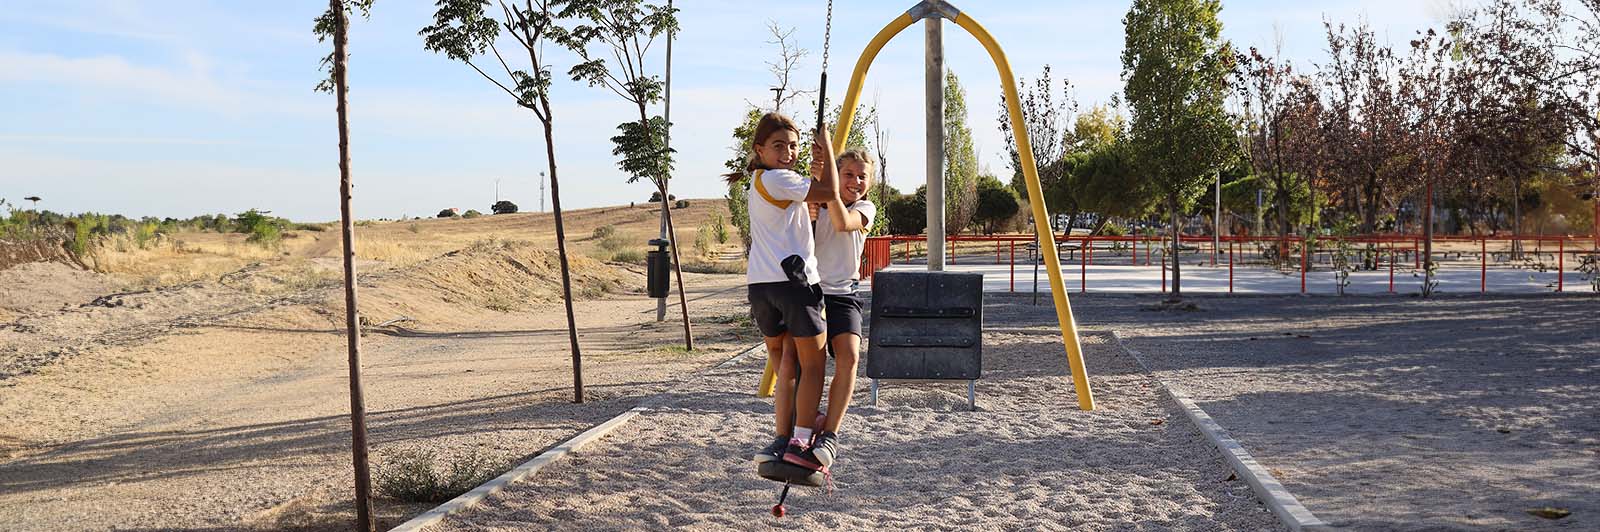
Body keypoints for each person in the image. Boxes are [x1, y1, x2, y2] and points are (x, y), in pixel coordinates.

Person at [725, 112, 840, 473]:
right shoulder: (778, 179)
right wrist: (831, 151)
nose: (788, 152)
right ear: (759, 149)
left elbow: (809, 204)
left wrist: (817, 168)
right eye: (778, 146)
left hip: (761, 285)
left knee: (786, 362)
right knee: (815, 363)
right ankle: (801, 438)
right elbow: (831, 194)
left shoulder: (759, 182)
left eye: (792, 146)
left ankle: (783, 433)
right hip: (794, 282)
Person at [806, 148, 876, 467]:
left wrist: (827, 187)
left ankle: (831, 435)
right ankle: (807, 419)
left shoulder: (865, 208)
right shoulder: (817, 201)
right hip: (811, 291)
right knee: (811, 363)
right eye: (848, 174)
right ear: (838, 174)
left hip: (844, 293)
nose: (856, 181)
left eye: (862, 176)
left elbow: (843, 222)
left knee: (849, 356)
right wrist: (811, 197)